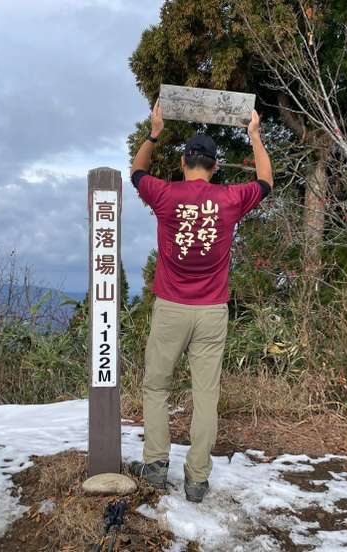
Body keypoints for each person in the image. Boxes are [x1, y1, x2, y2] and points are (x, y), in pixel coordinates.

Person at [129, 101, 273, 503]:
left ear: (183, 163)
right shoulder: (230, 198)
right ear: (215, 166)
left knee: (156, 386)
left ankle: (156, 466)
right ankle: (196, 480)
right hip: (212, 311)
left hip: (171, 308)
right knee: (205, 394)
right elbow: (265, 180)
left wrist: (153, 133)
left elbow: (137, 172)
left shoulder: (165, 194)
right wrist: (255, 135)